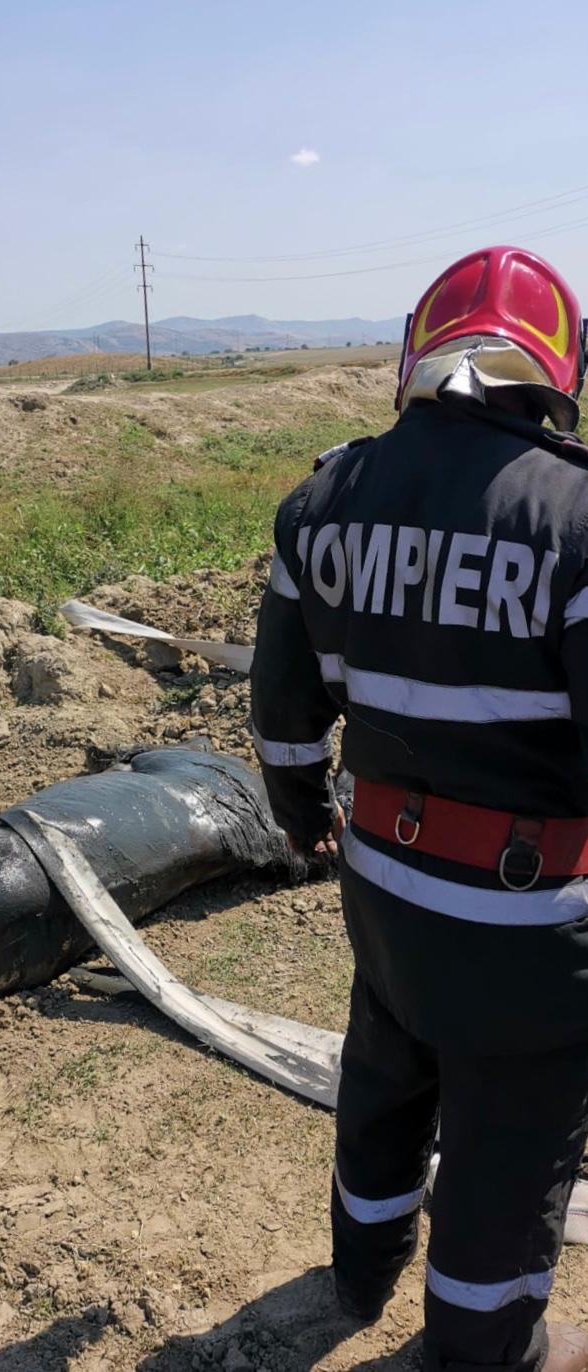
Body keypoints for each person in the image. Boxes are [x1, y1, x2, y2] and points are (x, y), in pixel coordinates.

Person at [250, 245, 588, 1372]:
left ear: (418, 354)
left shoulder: (323, 500)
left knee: (386, 1078)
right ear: (555, 371)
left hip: (382, 886)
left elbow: (284, 719)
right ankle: (485, 1347)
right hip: (528, 921)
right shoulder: (574, 516)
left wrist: (303, 814)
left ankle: (358, 1273)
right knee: (509, 1145)